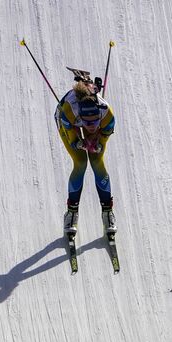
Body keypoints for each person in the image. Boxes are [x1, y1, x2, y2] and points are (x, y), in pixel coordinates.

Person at [54, 78, 117, 235]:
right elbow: (73, 140)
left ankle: (107, 211)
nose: (90, 126)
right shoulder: (68, 112)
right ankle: (71, 212)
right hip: (69, 122)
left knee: (97, 161)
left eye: (94, 121)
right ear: (80, 116)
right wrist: (79, 143)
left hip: (82, 120)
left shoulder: (107, 115)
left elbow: (102, 140)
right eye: (86, 122)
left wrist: (97, 144)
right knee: (81, 162)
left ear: (99, 114)